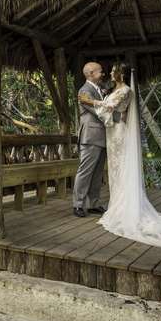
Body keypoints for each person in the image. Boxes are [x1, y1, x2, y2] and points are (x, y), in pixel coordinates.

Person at [87, 64, 161, 253]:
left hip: (119, 134)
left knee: (121, 169)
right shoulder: (114, 89)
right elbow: (109, 110)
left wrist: (90, 102)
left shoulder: (126, 90)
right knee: (115, 171)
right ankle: (117, 204)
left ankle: (124, 208)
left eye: (114, 71)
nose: (110, 73)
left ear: (120, 74)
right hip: (112, 133)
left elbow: (109, 108)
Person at [72, 61, 108, 218]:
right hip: (90, 136)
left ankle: (93, 204)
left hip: (102, 137)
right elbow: (98, 111)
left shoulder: (99, 89)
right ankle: (78, 204)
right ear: (91, 73)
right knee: (85, 172)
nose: (103, 74)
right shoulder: (84, 91)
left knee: (97, 172)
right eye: (100, 71)